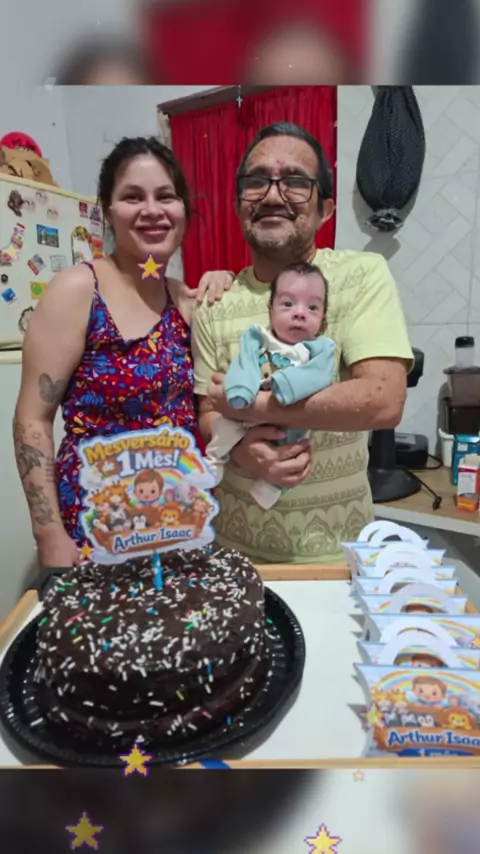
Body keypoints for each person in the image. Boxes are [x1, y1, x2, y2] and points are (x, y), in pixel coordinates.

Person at [192, 121, 413, 564]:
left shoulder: (361, 275)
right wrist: (240, 450)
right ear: (238, 205)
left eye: (295, 181)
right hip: (234, 555)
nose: (273, 195)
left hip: (340, 558)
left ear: (325, 208)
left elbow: (384, 399)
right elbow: (208, 411)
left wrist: (254, 407)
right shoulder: (215, 302)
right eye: (257, 181)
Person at [13, 136, 233, 569]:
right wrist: (48, 533)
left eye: (165, 196)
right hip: (97, 530)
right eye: (133, 196)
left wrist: (227, 285)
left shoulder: (183, 299)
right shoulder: (78, 289)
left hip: (178, 522)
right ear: (109, 210)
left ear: (183, 210)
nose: (152, 210)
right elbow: (31, 419)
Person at [204, 261, 335, 509]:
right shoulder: (257, 338)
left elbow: (319, 375)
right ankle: (214, 460)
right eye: (287, 304)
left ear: (322, 319)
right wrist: (240, 389)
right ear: (270, 310)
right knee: (223, 427)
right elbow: (244, 363)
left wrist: (286, 385)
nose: (299, 313)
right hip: (244, 412)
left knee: (295, 455)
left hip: (290, 422)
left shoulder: (318, 350)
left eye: (312, 307)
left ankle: (269, 490)